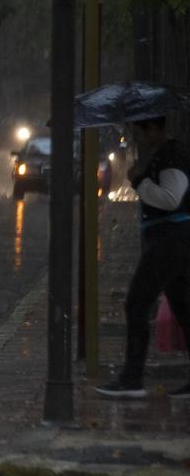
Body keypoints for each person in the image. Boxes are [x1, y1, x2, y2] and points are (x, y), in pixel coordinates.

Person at [95, 115, 190, 399]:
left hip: (168, 242)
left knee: (137, 303)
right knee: (184, 309)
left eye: (139, 132)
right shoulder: (163, 155)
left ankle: (132, 379)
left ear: (154, 129)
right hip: (173, 241)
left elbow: (171, 198)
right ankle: (132, 378)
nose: (137, 139)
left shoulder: (171, 156)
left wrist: (139, 182)